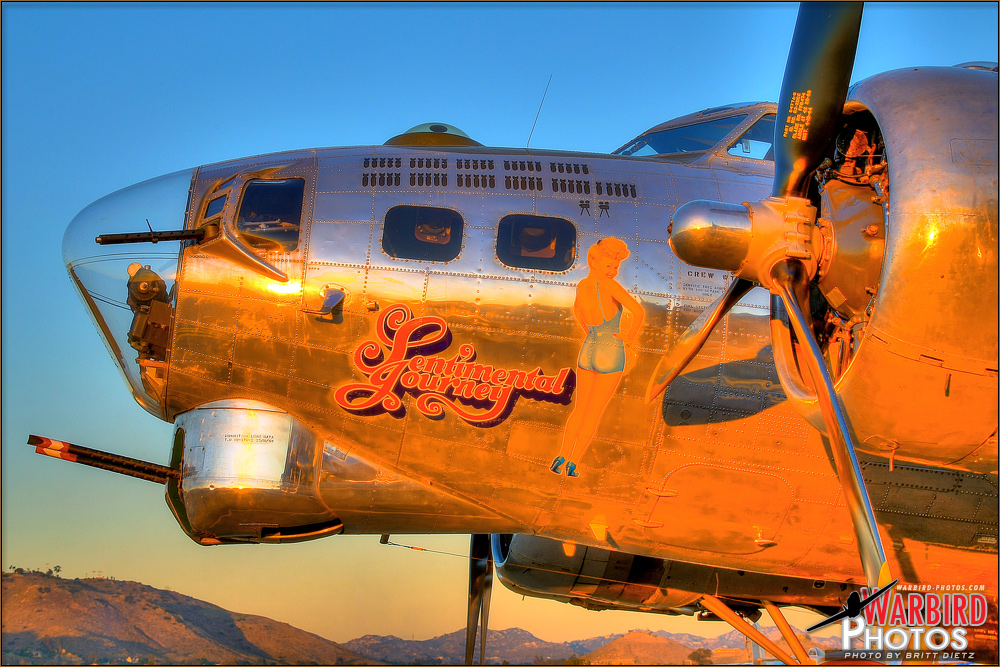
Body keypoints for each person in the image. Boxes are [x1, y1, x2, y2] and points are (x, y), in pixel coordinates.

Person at [552, 238, 645, 478]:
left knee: (579, 410)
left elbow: (578, 313)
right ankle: (573, 463)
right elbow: (638, 310)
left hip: (589, 346)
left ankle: (560, 456)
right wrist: (629, 337)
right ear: (594, 262)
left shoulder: (582, 284)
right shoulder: (609, 286)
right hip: (611, 348)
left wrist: (590, 334)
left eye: (615, 268)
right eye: (609, 266)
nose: (613, 272)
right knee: (594, 413)